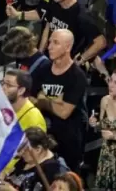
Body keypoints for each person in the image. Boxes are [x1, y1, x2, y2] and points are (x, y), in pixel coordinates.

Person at [31, 29, 88, 172]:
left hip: (68, 140)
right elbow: (30, 99)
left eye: (55, 43)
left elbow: (64, 112)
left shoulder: (77, 76)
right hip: (44, 135)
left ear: (67, 47)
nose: (49, 46)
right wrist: (56, 100)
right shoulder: (43, 69)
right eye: (50, 41)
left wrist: (44, 101)